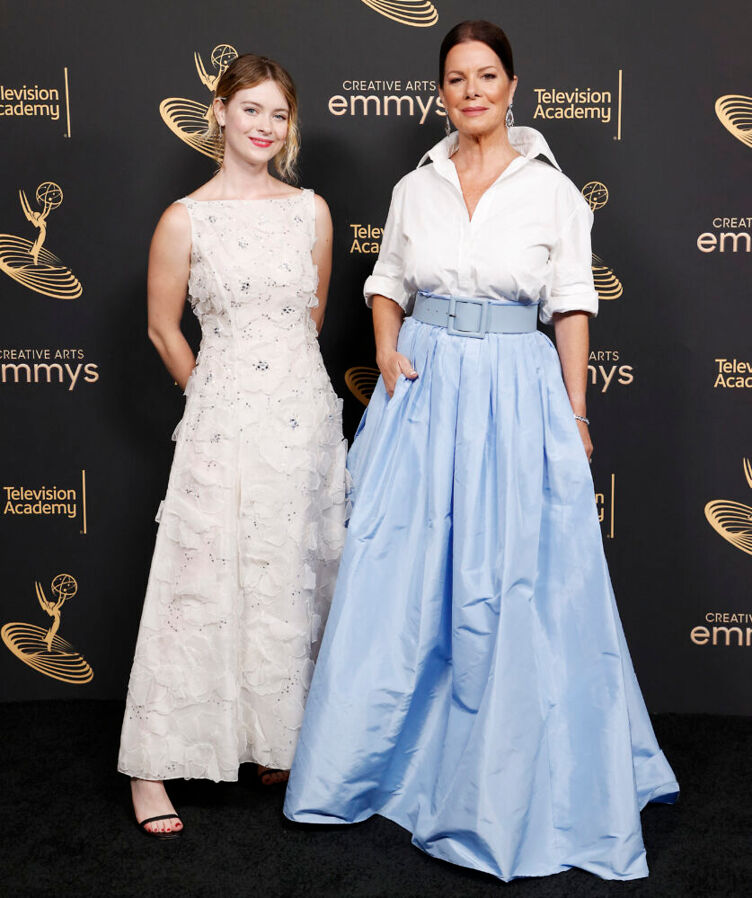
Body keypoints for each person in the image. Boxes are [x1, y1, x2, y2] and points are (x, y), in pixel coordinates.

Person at [284, 20, 678, 881]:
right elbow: (385, 282)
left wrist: (574, 416)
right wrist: (386, 348)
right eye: (457, 77)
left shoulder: (554, 193)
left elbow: (571, 305)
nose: (472, 91)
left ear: (512, 88)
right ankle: (382, 765)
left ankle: (502, 783)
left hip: (515, 394)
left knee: (512, 584)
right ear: (440, 92)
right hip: (424, 395)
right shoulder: (413, 188)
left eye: (487, 75)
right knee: (404, 581)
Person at [118, 53, 348, 839]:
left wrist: (280, 400)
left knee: (291, 576)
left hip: (305, 423)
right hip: (221, 420)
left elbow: (307, 320)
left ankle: (276, 741)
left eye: (278, 114)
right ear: (218, 112)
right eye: (250, 109)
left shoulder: (311, 210)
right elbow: (161, 327)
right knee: (200, 583)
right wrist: (214, 395)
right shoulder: (185, 217)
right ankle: (152, 769)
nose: (264, 126)